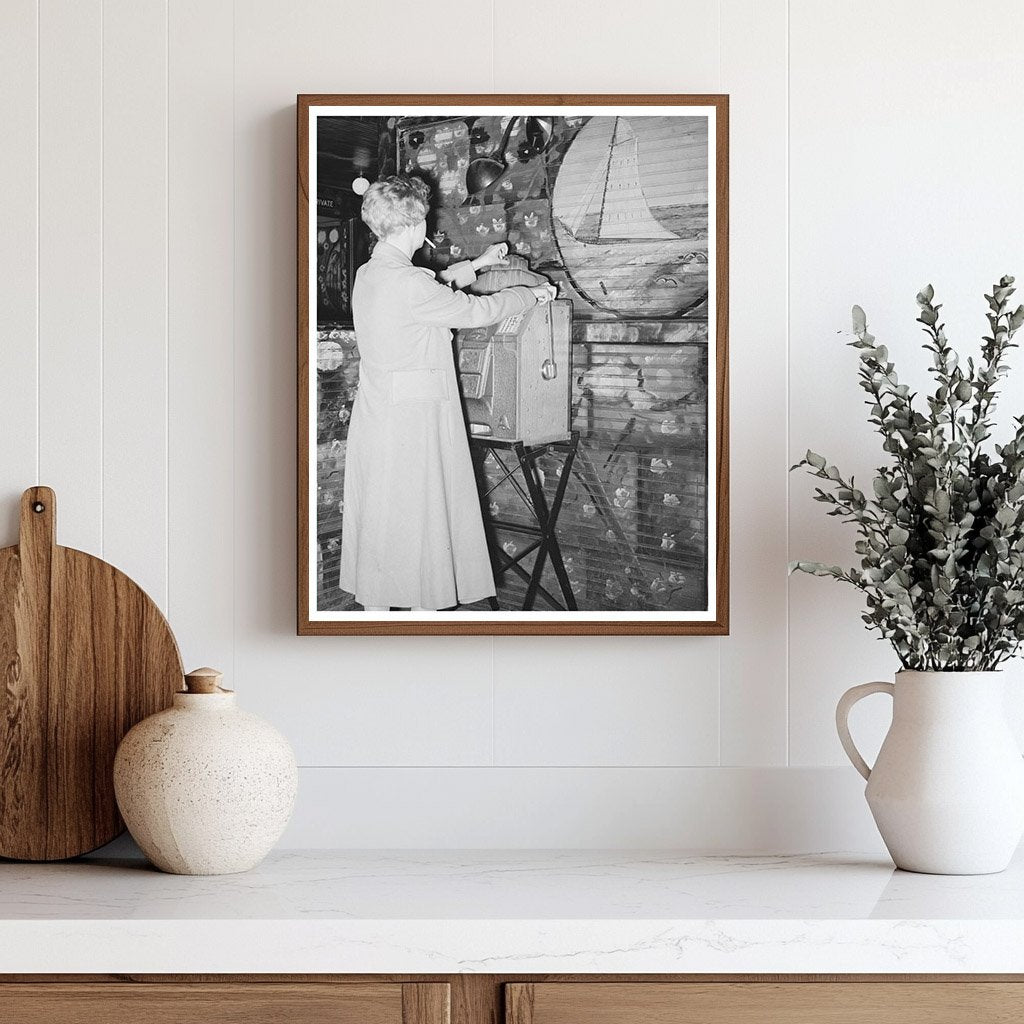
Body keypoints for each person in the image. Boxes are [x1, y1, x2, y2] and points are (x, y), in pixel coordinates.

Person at [339, 175, 556, 611]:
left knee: (385, 517)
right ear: (414, 223)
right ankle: (422, 610)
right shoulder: (410, 284)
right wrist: (531, 294)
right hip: (414, 420)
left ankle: (376, 612)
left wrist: (479, 262)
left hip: (380, 414)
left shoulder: (371, 273)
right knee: (423, 517)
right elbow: (477, 310)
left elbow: (434, 285)